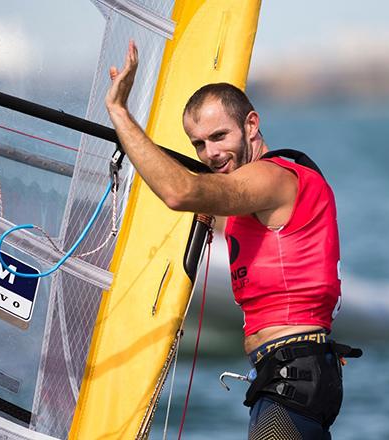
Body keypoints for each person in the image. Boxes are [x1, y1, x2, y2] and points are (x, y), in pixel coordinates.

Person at [106, 41, 352, 440]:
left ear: (251, 125)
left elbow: (179, 192)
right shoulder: (252, 201)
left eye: (219, 136)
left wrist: (119, 113)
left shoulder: (272, 178)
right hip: (288, 377)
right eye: (199, 144)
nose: (211, 153)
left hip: (293, 379)